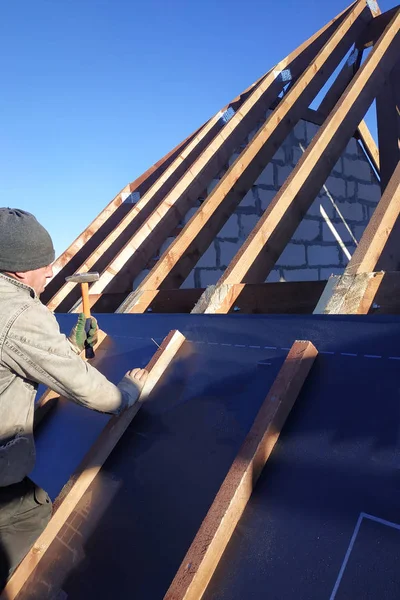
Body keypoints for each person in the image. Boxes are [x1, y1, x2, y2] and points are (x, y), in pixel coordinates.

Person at [0, 207, 148, 590]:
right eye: (44, 264)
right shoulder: (20, 313)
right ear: (18, 270)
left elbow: (17, 359)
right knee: (29, 521)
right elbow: (89, 391)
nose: (50, 273)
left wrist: (67, 347)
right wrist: (127, 393)